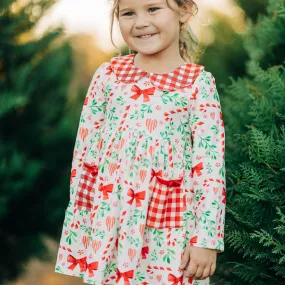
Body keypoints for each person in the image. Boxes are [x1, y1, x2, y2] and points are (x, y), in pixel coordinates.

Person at [54, 0, 226, 284]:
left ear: (183, 11)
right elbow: (85, 154)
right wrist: (82, 223)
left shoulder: (197, 84)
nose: (140, 22)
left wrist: (205, 240)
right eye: (128, 13)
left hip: (171, 234)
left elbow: (210, 167)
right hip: (111, 226)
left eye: (153, 9)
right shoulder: (109, 76)